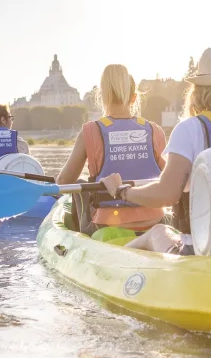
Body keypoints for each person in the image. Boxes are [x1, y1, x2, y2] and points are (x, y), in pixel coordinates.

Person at [100, 48, 211, 254]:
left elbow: (167, 195)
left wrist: (122, 191)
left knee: (157, 231)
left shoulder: (191, 129)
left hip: (201, 248)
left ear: (198, 90)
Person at [56, 64, 166, 233]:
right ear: (134, 98)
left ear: (102, 97)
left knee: (78, 184)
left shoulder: (90, 131)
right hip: (154, 220)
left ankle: (78, 240)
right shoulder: (155, 130)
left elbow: (64, 183)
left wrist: (59, 178)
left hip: (108, 224)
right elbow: (170, 181)